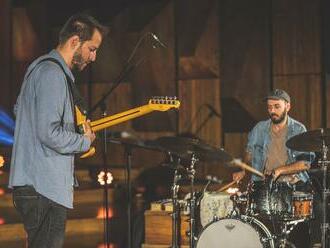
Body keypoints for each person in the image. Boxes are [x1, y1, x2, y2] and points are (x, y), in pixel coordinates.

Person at [9, 13, 108, 247]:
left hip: (36, 187)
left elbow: (19, 110)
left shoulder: (41, 68)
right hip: (43, 189)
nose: (93, 57)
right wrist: (83, 140)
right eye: (92, 49)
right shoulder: (52, 74)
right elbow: (48, 132)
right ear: (75, 41)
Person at [233, 89, 320, 247]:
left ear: (288, 106)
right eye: (269, 107)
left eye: (276, 106)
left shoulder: (299, 129)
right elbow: (249, 151)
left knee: (300, 231)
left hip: (293, 185)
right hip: (265, 184)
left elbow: (305, 164)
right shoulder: (259, 128)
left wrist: (280, 170)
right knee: (260, 227)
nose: (272, 111)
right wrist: (244, 169)